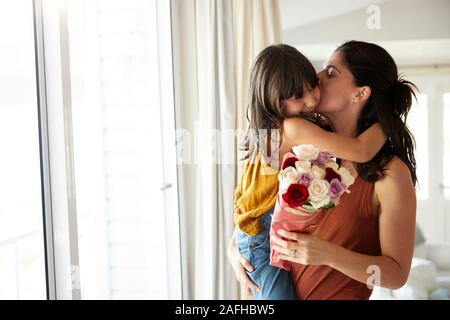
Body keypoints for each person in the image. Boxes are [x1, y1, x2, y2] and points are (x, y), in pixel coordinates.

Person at [230, 43, 386, 299]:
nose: (312, 99)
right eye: (297, 97)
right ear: (275, 102)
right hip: (260, 240)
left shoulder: (272, 128)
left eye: (311, 85)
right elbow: (360, 151)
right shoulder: (291, 128)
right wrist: (389, 123)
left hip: (256, 232)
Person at [269, 40, 417, 299]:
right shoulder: (299, 144)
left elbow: (396, 275)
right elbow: (256, 204)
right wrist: (237, 245)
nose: (316, 78)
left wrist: (328, 254)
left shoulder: (391, 174)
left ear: (360, 94)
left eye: (330, 72)